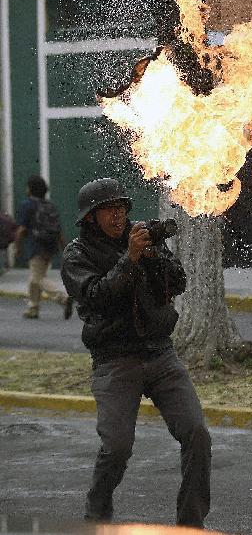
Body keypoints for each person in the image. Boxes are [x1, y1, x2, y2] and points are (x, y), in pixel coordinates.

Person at [60, 178, 211, 527]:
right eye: (109, 211)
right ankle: (96, 517)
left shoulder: (141, 238)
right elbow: (97, 297)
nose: (118, 216)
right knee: (117, 448)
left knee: (197, 435)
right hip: (115, 360)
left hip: (160, 354)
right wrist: (129, 260)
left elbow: (179, 283)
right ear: (91, 217)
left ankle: (191, 524)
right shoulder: (77, 255)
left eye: (122, 209)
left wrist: (153, 255)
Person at [13, 175, 73, 319]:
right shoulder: (50, 205)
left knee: (37, 278)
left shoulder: (27, 204)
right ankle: (33, 308)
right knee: (36, 276)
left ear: (30, 189)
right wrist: (63, 247)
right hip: (50, 246)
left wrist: (17, 246)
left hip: (36, 246)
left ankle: (63, 297)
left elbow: (21, 230)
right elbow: (58, 231)